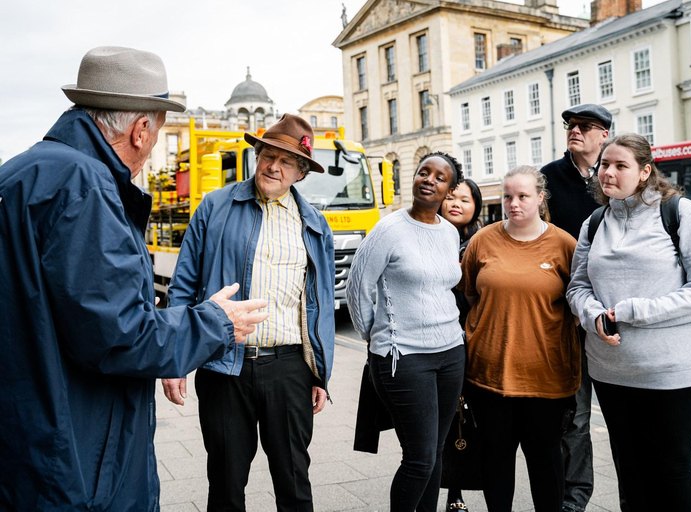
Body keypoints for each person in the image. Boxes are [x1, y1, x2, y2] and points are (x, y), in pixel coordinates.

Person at [0, 46, 268, 511]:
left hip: (24, 437)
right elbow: (119, 336)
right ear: (141, 130)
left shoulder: (22, 172)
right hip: (75, 459)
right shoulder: (85, 186)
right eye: (159, 130)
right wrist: (215, 322)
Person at [161, 113, 335, 512]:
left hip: (289, 368)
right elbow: (184, 284)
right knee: (225, 481)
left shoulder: (314, 224)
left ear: (301, 172)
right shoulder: (215, 206)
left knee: (294, 481)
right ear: (256, 156)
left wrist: (320, 373)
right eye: (268, 155)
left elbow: (320, 301)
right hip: (224, 366)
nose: (273, 166)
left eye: (286, 161)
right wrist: (174, 359)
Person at [566, 134, 691, 511]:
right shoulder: (595, 222)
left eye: (621, 165)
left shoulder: (680, 213)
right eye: (604, 164)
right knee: (631, 472)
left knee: (670, 469)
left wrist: (634, 311)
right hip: (611, 372)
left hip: (673, 371)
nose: (608, 172)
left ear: (644, 172)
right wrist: (592, 316)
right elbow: (578, 286)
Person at [347, 152, 466, 512]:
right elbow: (357, 286)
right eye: (423, 172)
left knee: (436, 452)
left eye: (439, 177)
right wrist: (376, 334)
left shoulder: (448, 232)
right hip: (404, 357)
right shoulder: (389, 229)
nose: (429, 179)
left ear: (449, 189)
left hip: (450, 353)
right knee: (418, 459)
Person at [459, 166, 580, 512]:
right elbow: (471, 296)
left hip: (547, 377)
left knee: (545, 460)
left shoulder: (564, 244)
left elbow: (578, 303)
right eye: (508, 196)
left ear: (540, 198)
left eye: (523, 196)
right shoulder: (483, 240)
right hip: (490, 374)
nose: (514, 203)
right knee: (495, 459)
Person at [539, 103, 610, 512]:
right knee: (575, 416)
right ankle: (575, 498)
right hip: (567, 314)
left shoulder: (617, 173)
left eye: (585, 126)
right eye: (569, 125)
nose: (574, 131)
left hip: (617, 315)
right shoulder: (549, 178)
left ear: (604, 135)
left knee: (628, 419)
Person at [439, 179, 483, 511]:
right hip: (436, 341)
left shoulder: (485, 243)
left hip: (475, 341)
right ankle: (447, 490)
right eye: (450, 197)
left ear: (476, 207)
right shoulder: (428, 238)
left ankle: (461, 488)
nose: (455, 203)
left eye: (464, 199)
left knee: (466, 421)